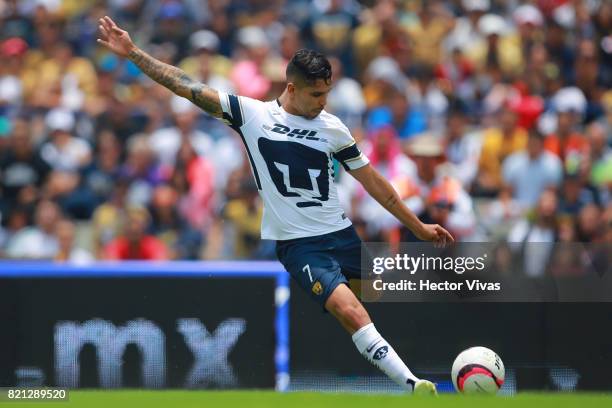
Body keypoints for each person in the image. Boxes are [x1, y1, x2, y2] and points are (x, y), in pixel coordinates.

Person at [97, 15, 453, 395]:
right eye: (316, 95)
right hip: (300, 244)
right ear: (292, 88)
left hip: (341, 233)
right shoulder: (252, 114)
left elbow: (374, 183)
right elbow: (188, 86)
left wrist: (417, 226)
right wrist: (133, 53)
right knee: (349, 311)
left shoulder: (332, 127)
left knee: (378, 294)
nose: (323, 102)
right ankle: (414, 385)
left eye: (326, 94)